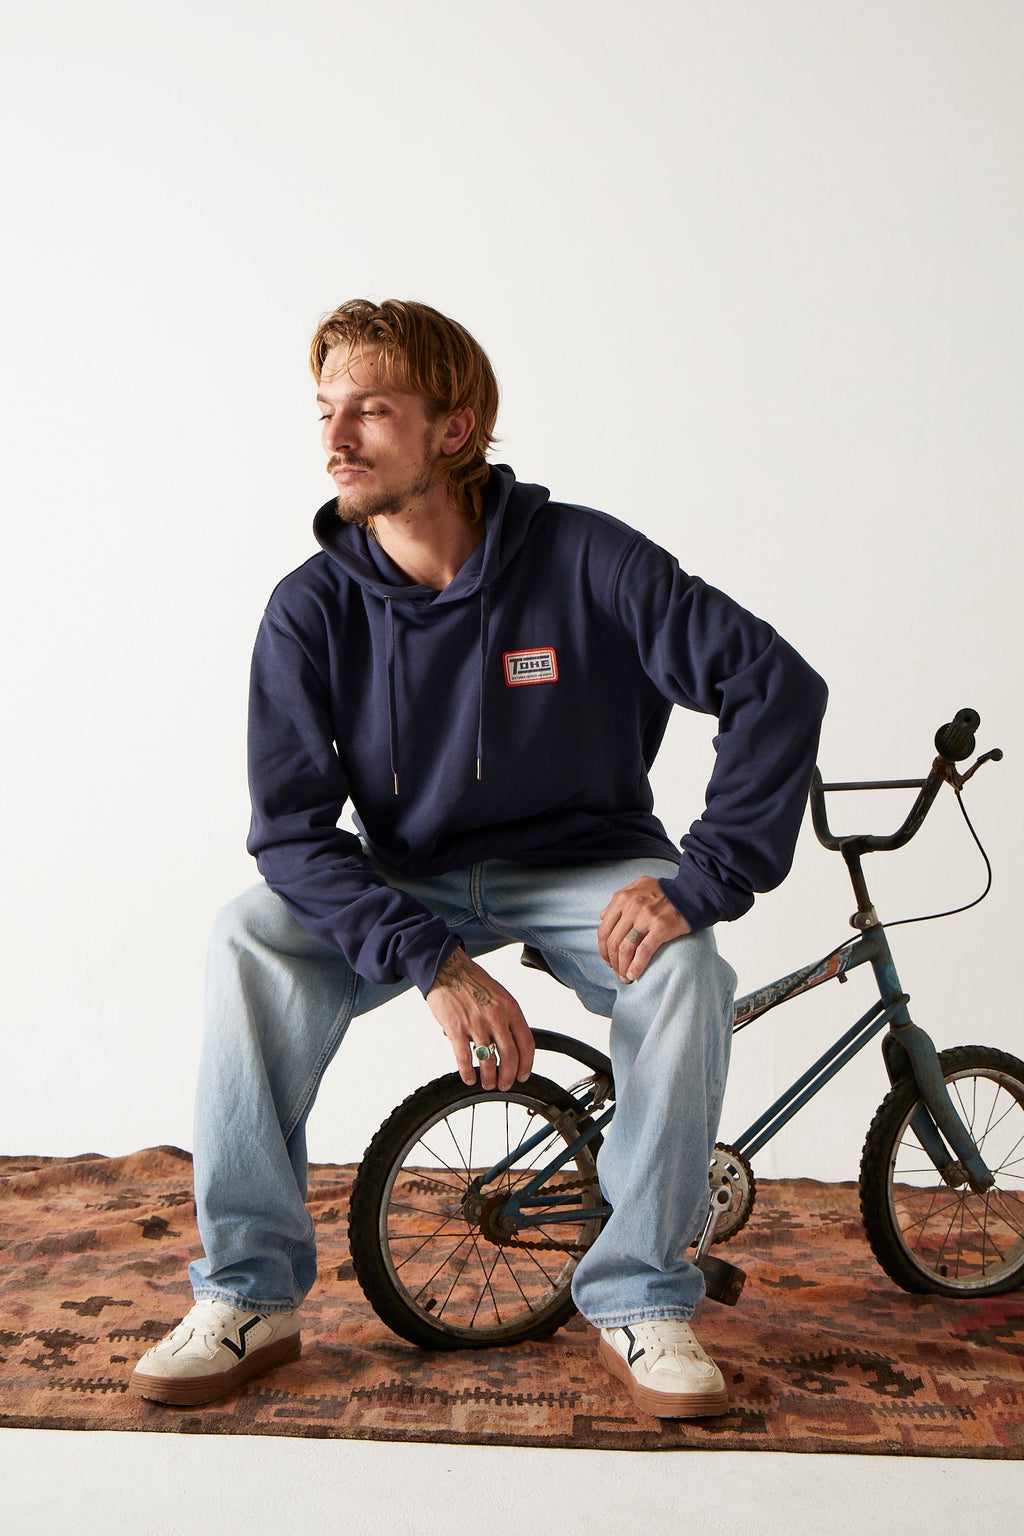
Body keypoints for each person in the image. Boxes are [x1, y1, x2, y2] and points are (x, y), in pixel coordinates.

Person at [129, 299, 827, 1418]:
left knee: (684, 967)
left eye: (371, 411)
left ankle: (642, 1296)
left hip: (586, 862)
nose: (335, 439)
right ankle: (247, 1295)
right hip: (408, 876)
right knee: (249, 933)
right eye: (325, 410)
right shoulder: (310, 610)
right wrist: (434, 963)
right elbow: (293, 834)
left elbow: (773, 685)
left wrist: (703, 882)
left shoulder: (587, 557)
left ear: (452, 430)